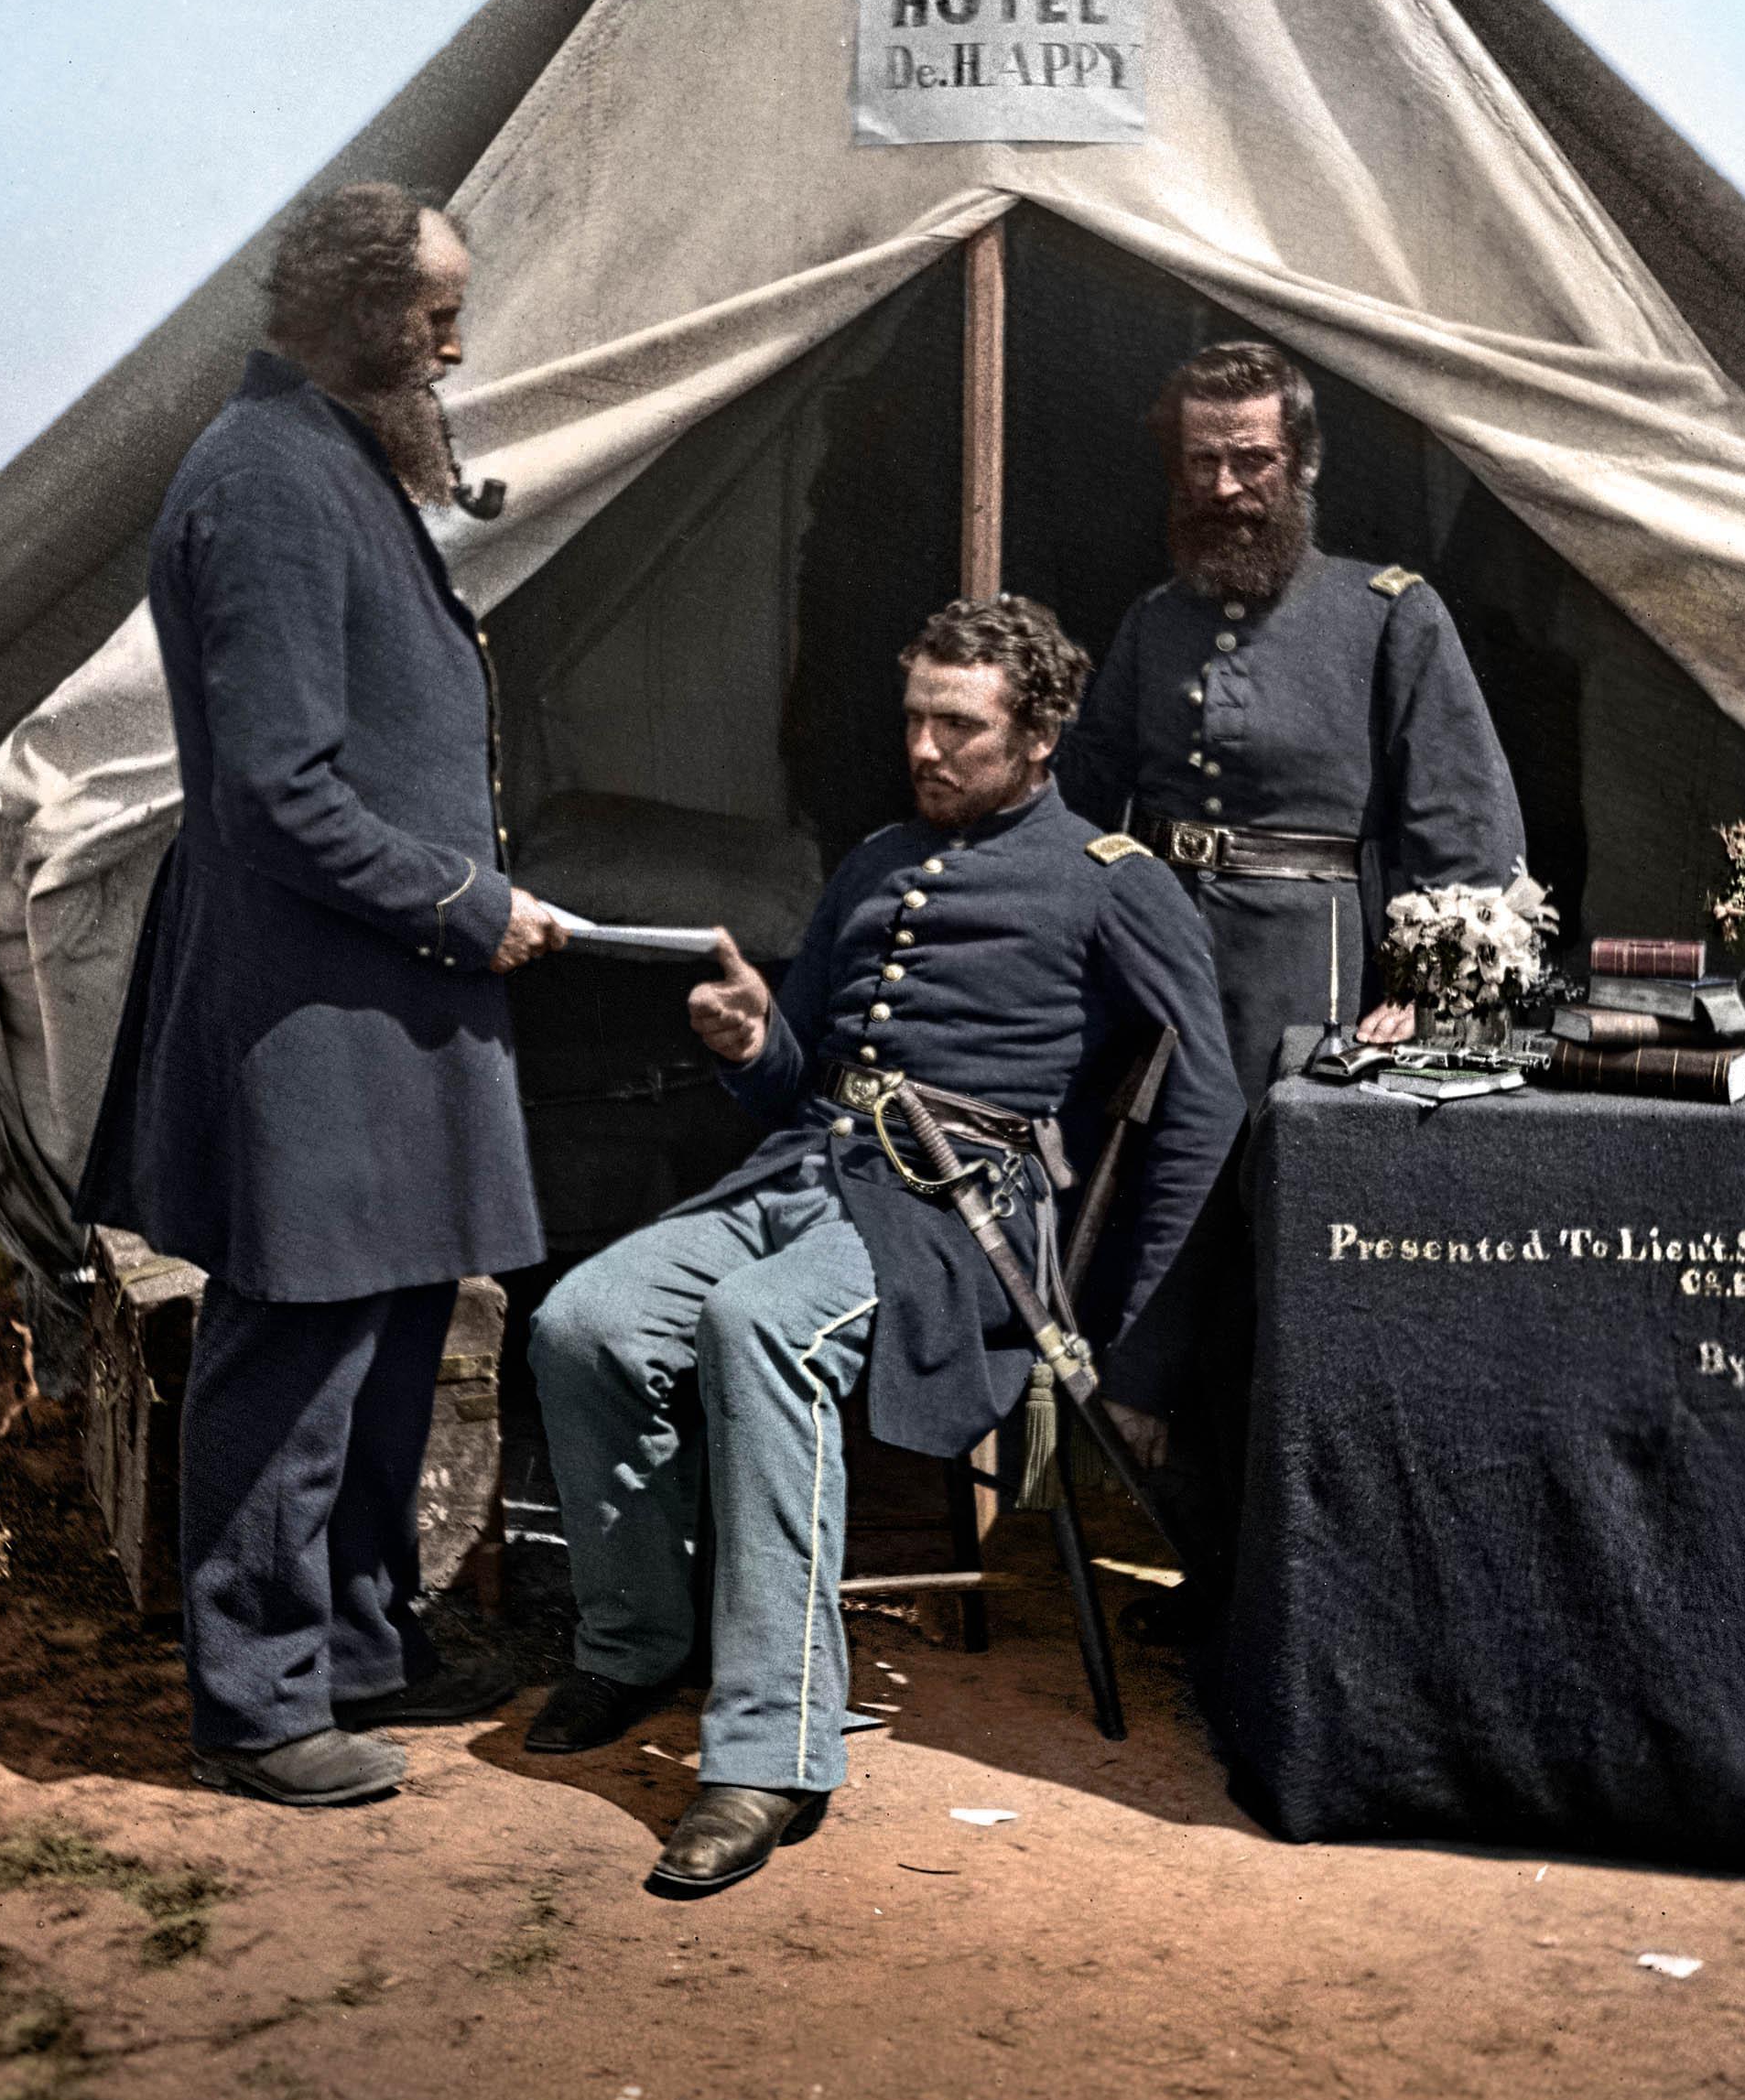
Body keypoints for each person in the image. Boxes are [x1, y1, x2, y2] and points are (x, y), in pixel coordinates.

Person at [524, 595, 1241, 1899]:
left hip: (957, 1215)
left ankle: (770, 1748)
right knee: (584, 1319)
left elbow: (1203, 1108)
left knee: (758, 1325)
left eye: (956, 724)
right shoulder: (869, 859)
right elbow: (801, 1078)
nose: (923, 747)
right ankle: (636, 1642)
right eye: (913, 715)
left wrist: (1134, 1334)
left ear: (1037, 739)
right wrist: (753, 1041)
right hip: (803, 1175)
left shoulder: (1111, 883)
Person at [79, 181, 566, 1812]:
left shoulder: (330, 457)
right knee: (290, 1354)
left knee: (393, 1329)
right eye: (434, 311)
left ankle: (362, 1641)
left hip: (384, 998)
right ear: (357, 311)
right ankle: (258, 1699)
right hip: (317, 1004)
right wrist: (463, 901)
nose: (453, 340)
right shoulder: (271, 480)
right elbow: (277, 794)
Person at [1054, 338, 1525, 1103]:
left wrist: (1423, 992)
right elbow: (1087, 791)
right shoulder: (1154, 620)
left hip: (1313, 966)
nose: (1224, 484)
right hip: (1159, 953)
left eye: (1252, 460)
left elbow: (1466, 823)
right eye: (1201, 462)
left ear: (1302, 462)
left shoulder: (1389, 614)